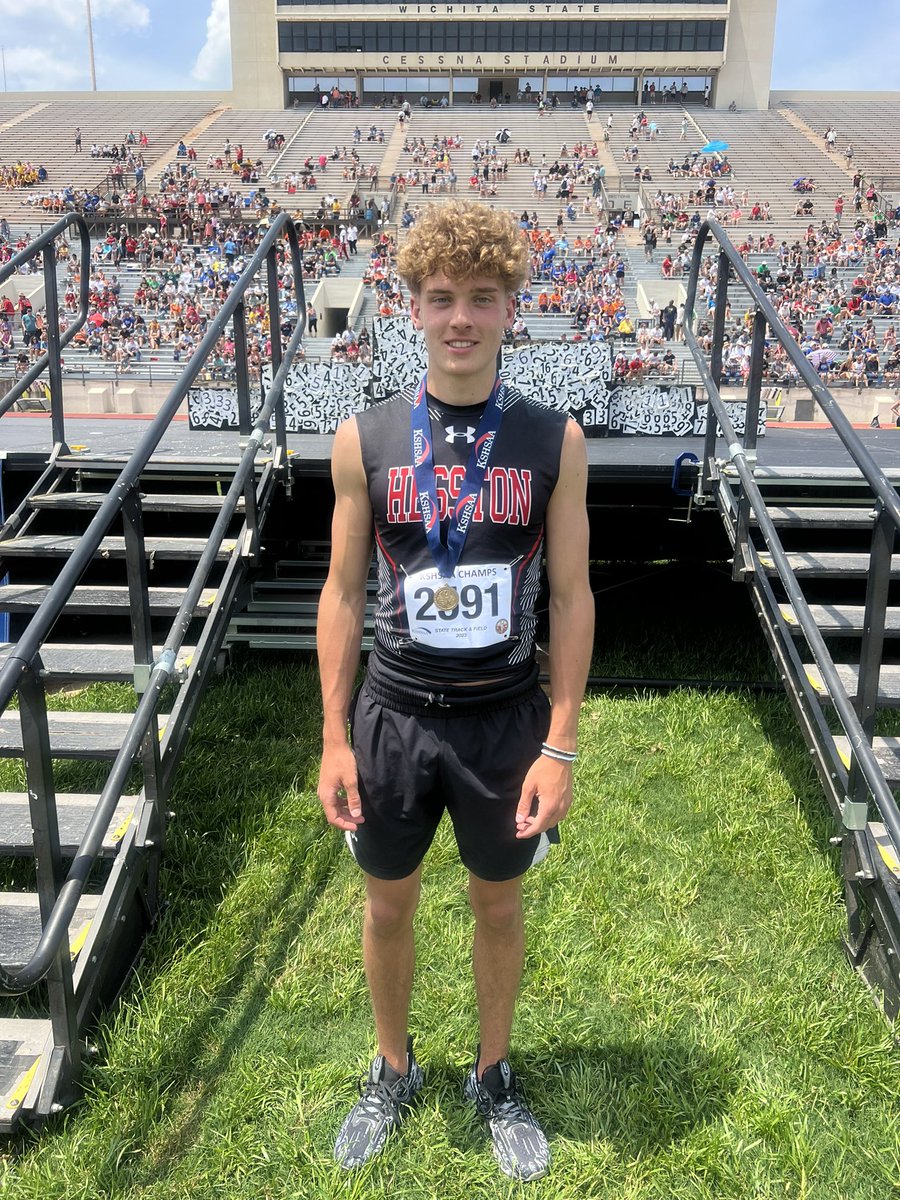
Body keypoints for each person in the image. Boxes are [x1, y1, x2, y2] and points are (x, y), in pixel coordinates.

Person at [316, 201, 594, 1182]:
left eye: (483, 298)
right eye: (442, 299)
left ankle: (492, 1073)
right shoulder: (364, 438)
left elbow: (569, 595)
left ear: (512, 307)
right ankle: (392, 1069)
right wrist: (334, 737)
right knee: (387, 907)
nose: (462, 317)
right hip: (392, 717)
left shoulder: (552, 440)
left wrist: (559, 745)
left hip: (501, 723)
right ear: (413, 310)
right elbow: (345, 591)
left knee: (497, 905)